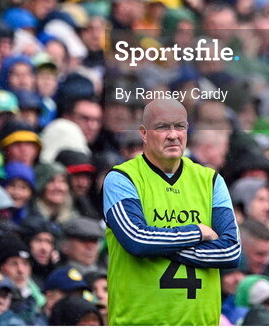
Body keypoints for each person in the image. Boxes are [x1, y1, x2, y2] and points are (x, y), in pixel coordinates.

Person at [103, 99, 240, 325]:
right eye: (162, 127)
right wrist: (197, 232)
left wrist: (158, 246)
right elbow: (136, 239)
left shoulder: (211, 180)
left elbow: (231, 251)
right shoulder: (121, 179)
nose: (173, 135)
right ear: (144, 133)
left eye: (180, 126)